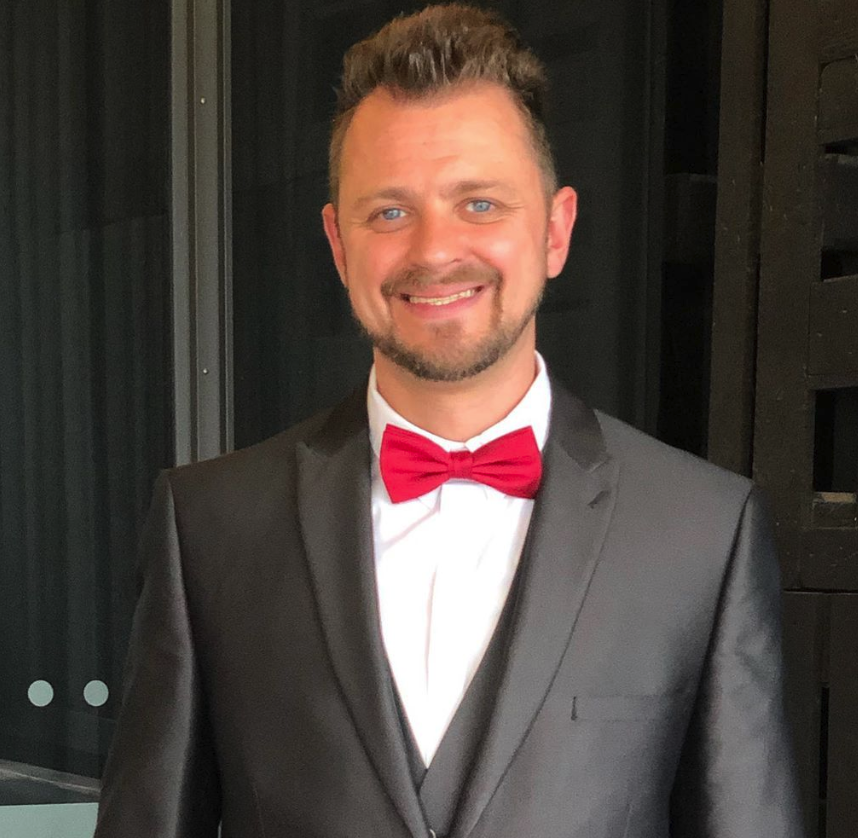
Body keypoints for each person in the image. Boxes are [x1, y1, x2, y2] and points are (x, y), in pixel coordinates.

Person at [94, 5, 804, 837]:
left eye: (481, 203)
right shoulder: (209, 527)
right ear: (339, 245)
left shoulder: (703, 533)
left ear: (556, 230)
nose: (434, 251)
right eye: (389, 212)